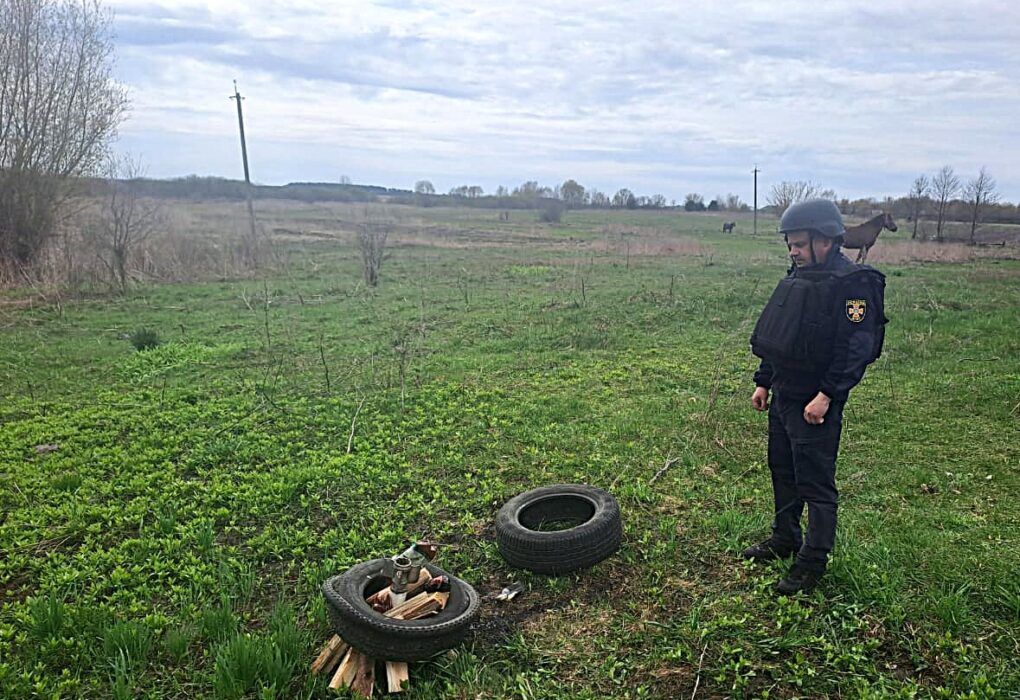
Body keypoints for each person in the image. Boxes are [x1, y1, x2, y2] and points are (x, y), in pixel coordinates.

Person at [745, 199, 887, 594]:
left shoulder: (853, 284)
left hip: (815, 402)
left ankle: (813, 560)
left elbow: (855, 348)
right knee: (783, 471)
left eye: (799, 243)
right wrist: (764, 380)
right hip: (785, 395)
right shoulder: (799, 276)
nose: (793, 250)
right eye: (790, 244)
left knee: (816, 483)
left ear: (825, 240)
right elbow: (782, 334)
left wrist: (827, 395)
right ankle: (785, 537)